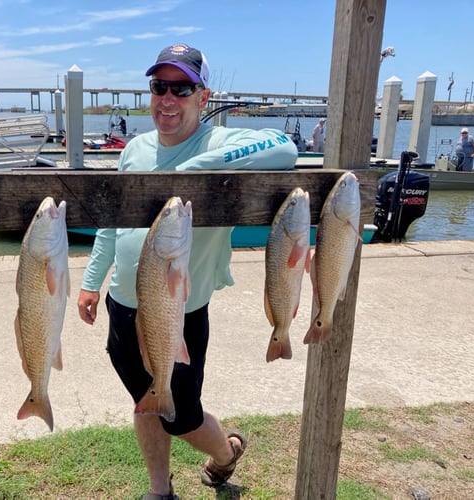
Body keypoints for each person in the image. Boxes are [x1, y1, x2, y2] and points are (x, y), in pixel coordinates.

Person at [76, 43, 297, 499]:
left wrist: (197, 170)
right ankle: (160, 490)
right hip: (125, 306)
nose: (168, 98)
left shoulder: (219, 142)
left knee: (183, 417)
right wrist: (90, 282)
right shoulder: (133, 149)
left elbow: (285, 146)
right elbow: (112, 224)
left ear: (203, 96)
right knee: (145, 401)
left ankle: (226, 453)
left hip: (182, 313)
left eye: (182, 87)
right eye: (160, 87)